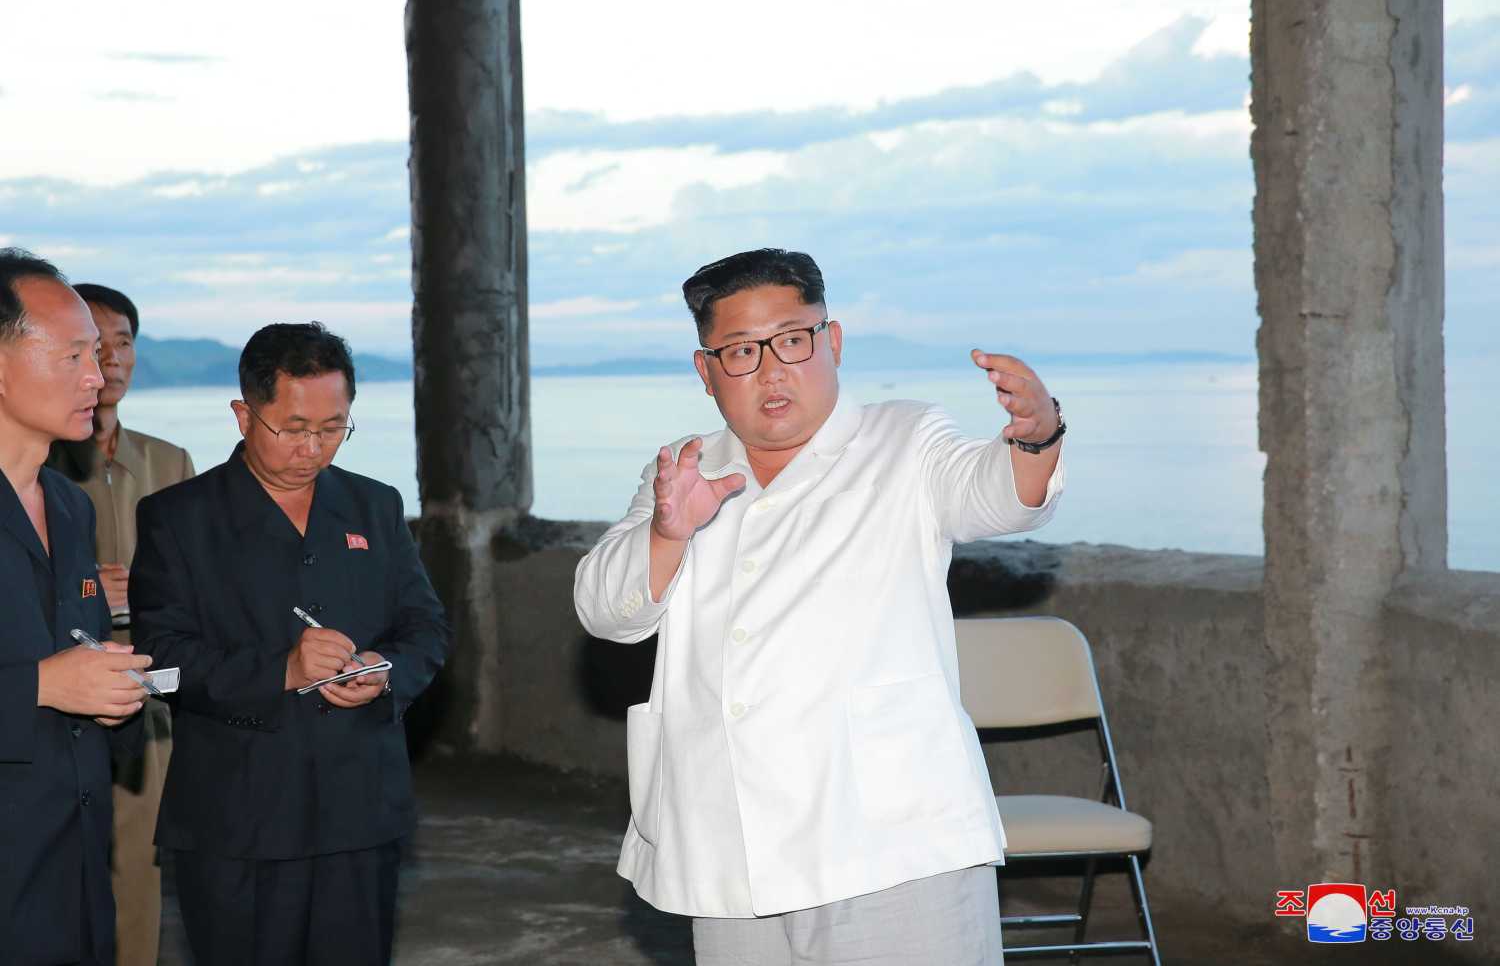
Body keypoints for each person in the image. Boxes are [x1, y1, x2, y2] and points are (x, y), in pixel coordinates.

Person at [573, 248, 1066, 965]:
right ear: (706, 372)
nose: (772, 370)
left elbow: (992, 492)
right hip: (727, 840)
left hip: (884, 841)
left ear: (830, 343)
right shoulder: (682, 470)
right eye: (740, 351)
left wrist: (1037, 435)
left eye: (793, 340)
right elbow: (605, 611)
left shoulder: (905, 439)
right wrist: (665, 532)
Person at [131, 322, 451, 966]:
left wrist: (382, 672)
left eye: (334, 427)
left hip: (358, 806)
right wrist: (282, 668)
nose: (313, 447)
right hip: (238, 815)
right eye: (294, 427)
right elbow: (162, 660)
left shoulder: (374, 505)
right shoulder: (179, 517)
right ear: (244, 414)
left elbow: (425, 627)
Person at [0, 248, 153, 966]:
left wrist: (102, 685)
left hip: (76, 857)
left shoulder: (67, 504)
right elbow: (42, 676)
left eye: (98, 353)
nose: (98, 376)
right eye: (71, 356)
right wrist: (42, 685)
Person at [48, 283, 195, 966]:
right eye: (89, 344)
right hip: (51, 695)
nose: (108, 360)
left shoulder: (170, 464)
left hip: (146, 698)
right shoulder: (30, 468)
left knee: (140, 869)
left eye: (123, 343)